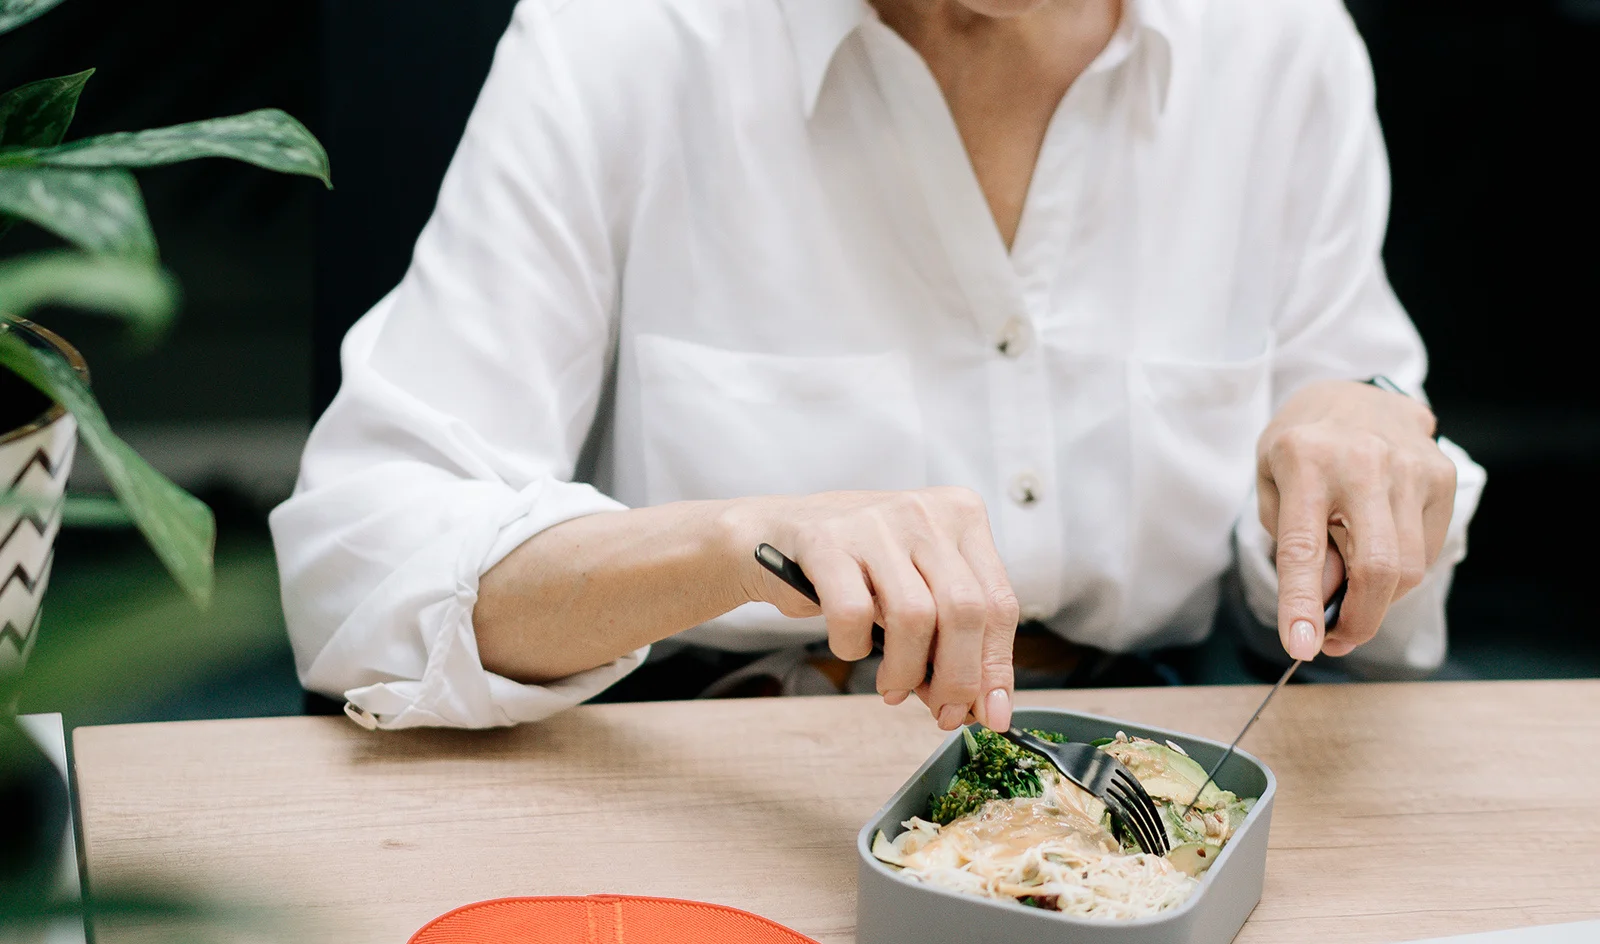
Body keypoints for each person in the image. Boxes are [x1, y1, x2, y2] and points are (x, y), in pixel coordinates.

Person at [273, 0, 1484, 733]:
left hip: (1147, 793)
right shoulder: (629, 35)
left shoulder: (1279, 43)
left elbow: (1361, 624)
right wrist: (727, 541)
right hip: (703, 783)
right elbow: (359, 565)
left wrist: (1368, 453)